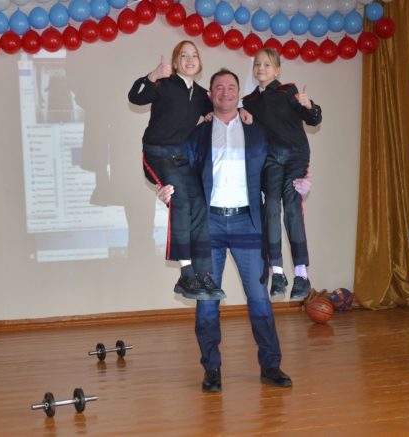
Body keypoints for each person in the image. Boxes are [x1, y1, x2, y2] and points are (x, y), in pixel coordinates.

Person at [158, 69, 310, 392]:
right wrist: (165, 187)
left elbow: (282, 159)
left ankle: (271, 365)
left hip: (248, 224)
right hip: (208, 226)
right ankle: (211, 369)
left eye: (231, 87)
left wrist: (300, 181)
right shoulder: (198, 134)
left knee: (258, 298)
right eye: (219, 87)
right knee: (206, 302)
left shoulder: (258, 131)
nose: (225, 92)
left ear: (239, 93)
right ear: (210, 94)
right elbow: (176, 167)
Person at [128, 40, 224, 301]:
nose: (190, 60)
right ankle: (186, 273)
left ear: (200, 62)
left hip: (182, 157)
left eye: (194, 55)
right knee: (180, 200)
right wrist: (153, 75)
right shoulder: (164, 84)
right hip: (157, 152)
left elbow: (221, 111)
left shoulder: (201, 94)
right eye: (184, 55)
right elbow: (135, 97)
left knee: (200, 204)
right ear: (175, 61)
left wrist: (234, 113)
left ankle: (202, 274)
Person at [242, 48, 322, 300]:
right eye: (257, 64)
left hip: (296, 155)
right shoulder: (250, 101)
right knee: (271, 207)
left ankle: (301, 273)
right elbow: (245, 129)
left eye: (267, 64)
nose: (261, 68)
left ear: (277, 70)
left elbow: (312, 119)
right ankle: (277, 271)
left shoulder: (288, 91)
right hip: (271, 159)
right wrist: (241, 115)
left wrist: (309, 106)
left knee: (292, 206)